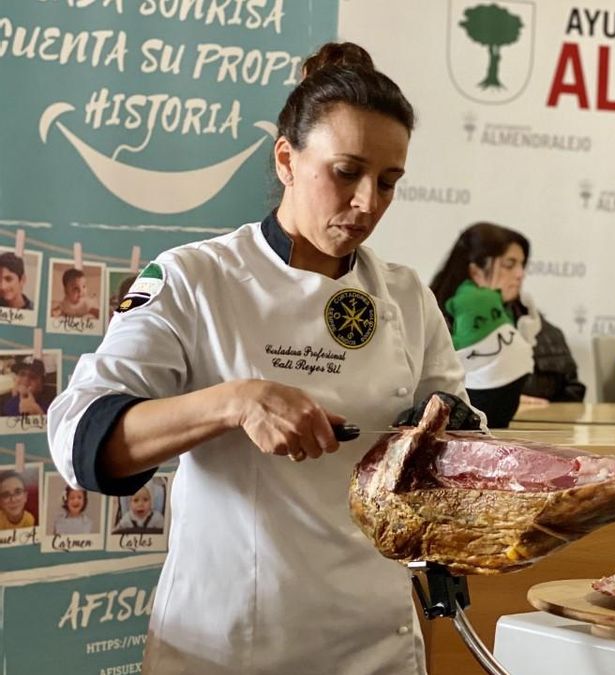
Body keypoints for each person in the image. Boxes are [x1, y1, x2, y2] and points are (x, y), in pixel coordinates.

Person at [47, 42, 472, 674]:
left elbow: (460, 440)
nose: (367, 203)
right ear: (286, 160)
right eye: (346, 172)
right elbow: (78, 440)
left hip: (375, 640)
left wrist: (445, 432)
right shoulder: (196, 278)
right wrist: (234, 401)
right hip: (229, 640)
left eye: (388, 182)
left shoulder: (407, 297)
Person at [430, 223, 557, 426]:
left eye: (522, 265)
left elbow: (572, 388)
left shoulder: (536, 323)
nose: (520, 274)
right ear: (476, 271)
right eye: (509, 264)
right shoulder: (431, 321)